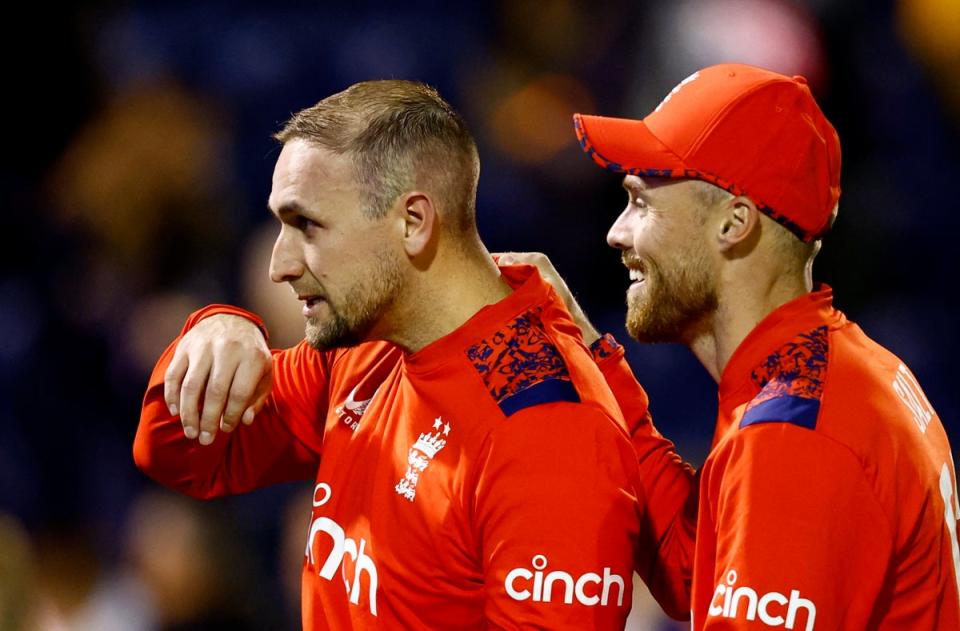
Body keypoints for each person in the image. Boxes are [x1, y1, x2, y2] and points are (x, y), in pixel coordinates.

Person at [133, 80, 696, 629]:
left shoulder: (546, 428)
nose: (279, 265)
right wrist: (214, 330)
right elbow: (182, 453)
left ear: (413, 221)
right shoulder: (365, 353)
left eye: (306, 224)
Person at [506, 62, 960, 629]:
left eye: (642, 202)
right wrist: (585, 352)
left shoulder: (794, 438)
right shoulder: (823, 374)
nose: (616, 232)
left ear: (733, 223)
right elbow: (696, 571)